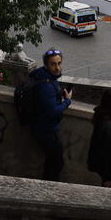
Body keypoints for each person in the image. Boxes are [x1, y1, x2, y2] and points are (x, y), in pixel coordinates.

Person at [30, 48, 72, 181]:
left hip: (43, 127)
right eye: (53, 64)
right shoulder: (46, 85)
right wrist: (67, 101)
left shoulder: (44, 77)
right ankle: (49, 188)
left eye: (59, 63)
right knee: (56, 163)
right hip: (47, 130)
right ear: (46, 65)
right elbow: (52, 112)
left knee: (52, 161)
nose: (57, 67)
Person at [87, 90, 111, 188]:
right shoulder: (107, 125)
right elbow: (108, 153)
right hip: (107, 172)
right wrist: (110, 178)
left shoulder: (101, 117)